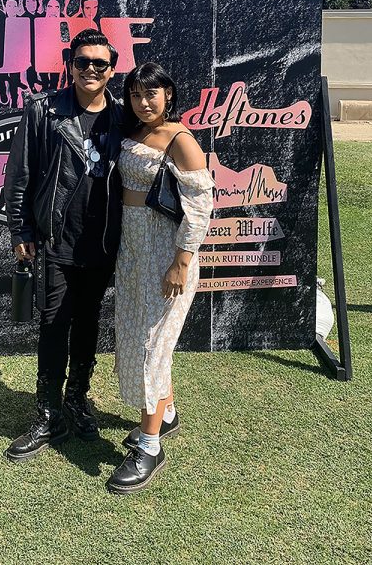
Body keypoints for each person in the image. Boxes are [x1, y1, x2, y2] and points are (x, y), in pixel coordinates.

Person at [3, 28, 123, 462]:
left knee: (88, 322)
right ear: (69, 65)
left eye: (100, 63)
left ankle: (77, 398)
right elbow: (20, 175)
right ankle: (49, 411)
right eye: (82, 61)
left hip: (102, 243)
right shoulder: (43, 111)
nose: (91, 69)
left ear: (112, 69)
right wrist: (21, 232)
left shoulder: (123, 117)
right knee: (54, 323)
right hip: (55, 240)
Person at [107, 62, 214, 494]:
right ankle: (165, 414)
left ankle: (150, 446)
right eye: (135, 94)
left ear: (169, 94)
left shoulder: (180, 139)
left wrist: (182, 262)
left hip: (166, 258)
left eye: (152, 94)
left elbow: (201, 208)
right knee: (137, 337)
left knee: (153, 345)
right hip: (133, 253)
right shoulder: (131, 134)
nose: (143, 102)